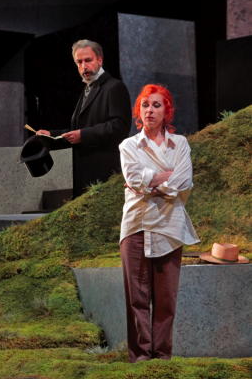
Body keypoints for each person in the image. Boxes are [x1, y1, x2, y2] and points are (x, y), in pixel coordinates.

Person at [119, 83, 200, 363]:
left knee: (166, 300)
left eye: (156, 105)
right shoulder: (128, 146)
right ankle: (140, 357)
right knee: (137, 298)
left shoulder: (181, 145)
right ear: (138, 112)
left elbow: (183, 180)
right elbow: (134, 179)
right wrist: (163, 179)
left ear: (167, 111)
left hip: (169, 226)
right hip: (136, 225)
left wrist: (151, 183)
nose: (150, 110)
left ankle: (162, 356)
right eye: (145, 105)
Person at [37, 39, 132, 198]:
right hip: (85, 173)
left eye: (88, 60)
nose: (83, 66)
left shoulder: (114, 87)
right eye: (79, 62)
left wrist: (83, 135)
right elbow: (78, 130)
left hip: (104, 172)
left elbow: (120, 126)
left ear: (100, 60)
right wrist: (52, 136)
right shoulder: (87, 89)